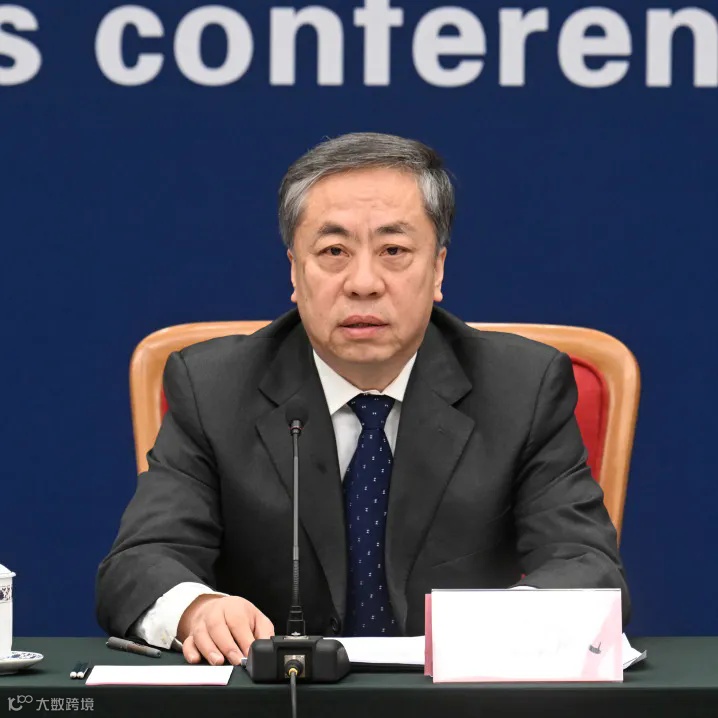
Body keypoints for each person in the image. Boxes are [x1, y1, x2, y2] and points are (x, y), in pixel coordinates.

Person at [96, 132, 630, 667]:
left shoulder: (522, 386)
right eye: (334, 252)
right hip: (277, 696)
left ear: (438, 269)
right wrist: (198, 609)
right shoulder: (214, 387)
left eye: (394, 251)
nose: (364, 283)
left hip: (458, 697)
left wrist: (497, 629)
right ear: (294, 271)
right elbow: (140, 562)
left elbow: (586, 565)